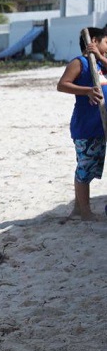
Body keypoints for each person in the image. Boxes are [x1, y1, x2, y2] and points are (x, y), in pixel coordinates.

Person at [56, 26, 107, 221]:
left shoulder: (100, 65)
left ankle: (78, 208)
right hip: (86, 125)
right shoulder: (80, 63)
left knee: (92, 167)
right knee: (84, 169)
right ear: (93, 41)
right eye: (106, 42)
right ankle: (85, 211)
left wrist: (100, 57)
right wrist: (86, 91)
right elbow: (62, 84)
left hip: (100, 125)